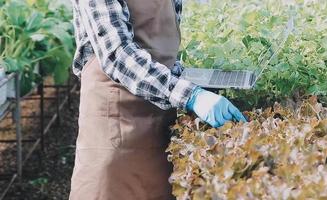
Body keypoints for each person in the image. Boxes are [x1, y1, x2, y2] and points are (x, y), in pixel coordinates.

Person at [69, 0, 247, 199]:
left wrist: (190, 80)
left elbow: (161, 52)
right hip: (114, 117)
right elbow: (117, 54)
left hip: (159, 117)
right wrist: (191, 95)